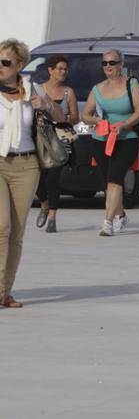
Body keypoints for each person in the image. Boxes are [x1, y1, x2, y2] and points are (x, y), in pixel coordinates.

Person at [83, 48, 139, 237]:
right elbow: (85, 115)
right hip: (101, 139)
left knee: (115, 179)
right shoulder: (97, 88)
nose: (108, 67)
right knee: (108, 182)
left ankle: (107, 222)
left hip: (127, 139)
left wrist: (124, 125)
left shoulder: (131, 84)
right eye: (105, 63)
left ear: (121, 64)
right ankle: (121, 215)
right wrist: (97, 121)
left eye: (112, 62)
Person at [0, 39, 40, 309]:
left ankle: (5, 292)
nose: (0, 67)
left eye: (5, 62)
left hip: (27, 166)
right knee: (2, 227)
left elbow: (63, 118)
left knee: (17, 233)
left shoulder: (32, 90)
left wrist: (46, 106)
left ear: (19, 65)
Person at [32, 54, 78, 234]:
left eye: (65, 69)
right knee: (37, 179)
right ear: (50, 70)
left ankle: (52, 217)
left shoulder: (69, 92)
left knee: (53, 178)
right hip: (40, 138)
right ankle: (44, 203)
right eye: (59, 68)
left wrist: (62, 117)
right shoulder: (38, 89)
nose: (63, 72)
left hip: (59, 139)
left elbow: (75, 118)